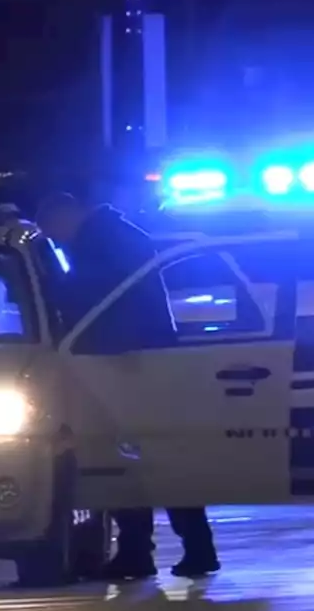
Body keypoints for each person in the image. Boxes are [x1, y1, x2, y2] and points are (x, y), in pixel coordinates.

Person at [35, 192, 220, 579]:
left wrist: (51, 284)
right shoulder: (112, 235)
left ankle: (148, 551)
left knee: (134, 461)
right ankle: (176, 548)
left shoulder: (105, 242)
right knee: (151, 460)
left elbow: (87, 295)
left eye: (51, 229)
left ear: (65, 212)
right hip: (136, 361)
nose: (54, 238)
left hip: (127, 364)